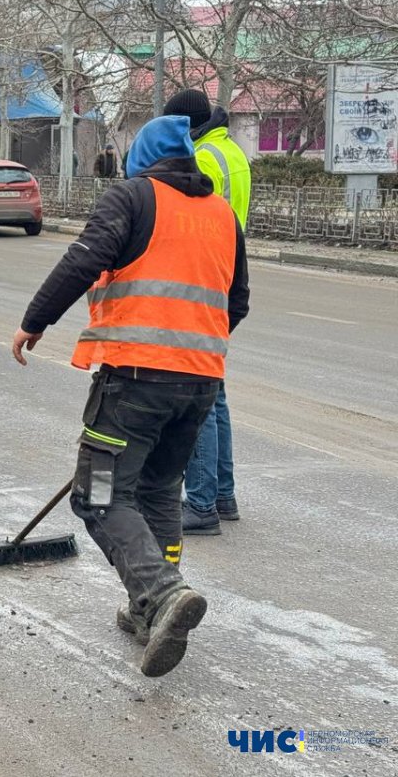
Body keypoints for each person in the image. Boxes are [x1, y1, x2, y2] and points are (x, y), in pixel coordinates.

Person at [11, 115, 249, 677]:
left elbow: (83, 259)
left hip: (133, 383)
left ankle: (162, 593)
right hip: (199, 385)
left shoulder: (134, 197)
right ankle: (151, 608)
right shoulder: (222, 215)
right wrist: (193, 349)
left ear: (141, 158)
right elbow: (236, 303)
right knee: (160, 489)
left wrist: (35, 321)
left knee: (97, 496)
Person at [164, 89, 252, 535]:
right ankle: (222, 494)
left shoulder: (202, 158)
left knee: (199, 397)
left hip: (201, 280)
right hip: (226, 277)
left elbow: (191, 215)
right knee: (215, 394)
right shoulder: (231, 150)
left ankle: (201, 503)